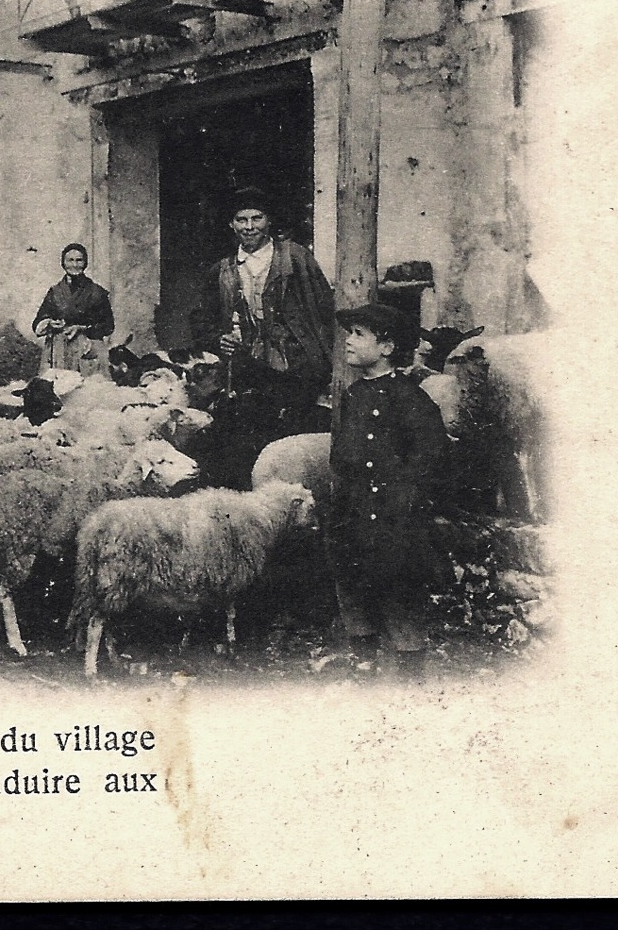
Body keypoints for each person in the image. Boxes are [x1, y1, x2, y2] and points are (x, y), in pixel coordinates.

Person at [329, 302, 449, 681]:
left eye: (358, 335)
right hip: (355, 519)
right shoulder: (353, 395)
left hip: (396, 523)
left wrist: (403, 501)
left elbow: (432, 458)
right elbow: (343, 456)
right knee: (356, 604)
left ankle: (411, 691)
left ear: (386, 347)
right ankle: (364, 679)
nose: (348, 341)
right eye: (349, 333)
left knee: (400, 605)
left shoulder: (410, 398)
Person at [188, 186, 335, 486]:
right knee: (246, 440)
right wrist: (218, 339)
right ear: (232, 224)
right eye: (242, 220)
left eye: (257, 218)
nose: (249, 227)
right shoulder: (223, 270)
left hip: (297, 368)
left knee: (292, 444)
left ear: (269, 221)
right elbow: (200, 318)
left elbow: (324, 308)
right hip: (248, 370)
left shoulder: (295, 258)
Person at [32, 242, 115, 376]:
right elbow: (37, 322)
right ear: (63, 263)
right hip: (59, 352)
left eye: (79, 260)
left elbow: (108, 326)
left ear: (85, 263)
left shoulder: (97, 292)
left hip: (88, 351)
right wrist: (49, 323)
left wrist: (82, 328)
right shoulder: (55, 292)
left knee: (88, 391)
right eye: (70, 260)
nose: (74, 265)